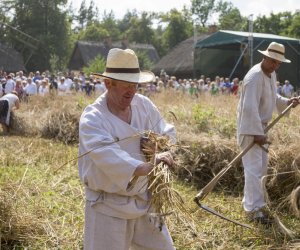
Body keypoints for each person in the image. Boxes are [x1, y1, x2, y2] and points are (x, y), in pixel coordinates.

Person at [78, 48, 176, 250]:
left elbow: (167, 132)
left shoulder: (143, 106)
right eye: (125, 85)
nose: (131, 91)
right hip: (107, 207)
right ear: (108, 83)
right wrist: (144, 166)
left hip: (144, 201)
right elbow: (106, 154)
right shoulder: (93, 118)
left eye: (134, 85)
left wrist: (163, 147)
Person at [237, 42, 299, 224]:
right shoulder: (254, 78)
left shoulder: (271, 75)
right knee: (253, 170)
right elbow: (249, 108)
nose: (275, 65)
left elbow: (273, 97)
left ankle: (254, 204)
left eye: (278, 63)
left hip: (260, 128)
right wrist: (256, 134)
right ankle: (254, 211)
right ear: (264, 57)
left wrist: (287, 101)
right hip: (250, 130)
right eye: (273, 61)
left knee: (261, 169)